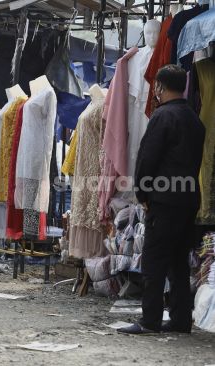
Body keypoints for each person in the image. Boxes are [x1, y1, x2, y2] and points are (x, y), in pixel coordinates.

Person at [118, 65, 205, 335]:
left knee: (154, 262)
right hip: (188, 200)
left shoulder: (162, 116)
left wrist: (143, 194)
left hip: (164, 200)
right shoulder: (194, 119)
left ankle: (150, 320)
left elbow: (147, 160)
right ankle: (180, 320)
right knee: (178, 261)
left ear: (159, 87)